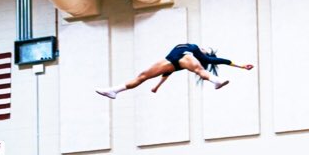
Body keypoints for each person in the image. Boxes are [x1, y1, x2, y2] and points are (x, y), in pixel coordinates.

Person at [96, 44, 254, 99]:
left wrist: (241, 66)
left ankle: (216, 81)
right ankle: (114, 90)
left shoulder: (199, 55)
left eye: (206, 50)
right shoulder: (192, 50)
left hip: (185, 58)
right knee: (142, 76)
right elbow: (167, 73)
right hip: (170, 61)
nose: (205, 48)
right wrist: (158, 86)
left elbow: (222, 61)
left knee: (199, 70)